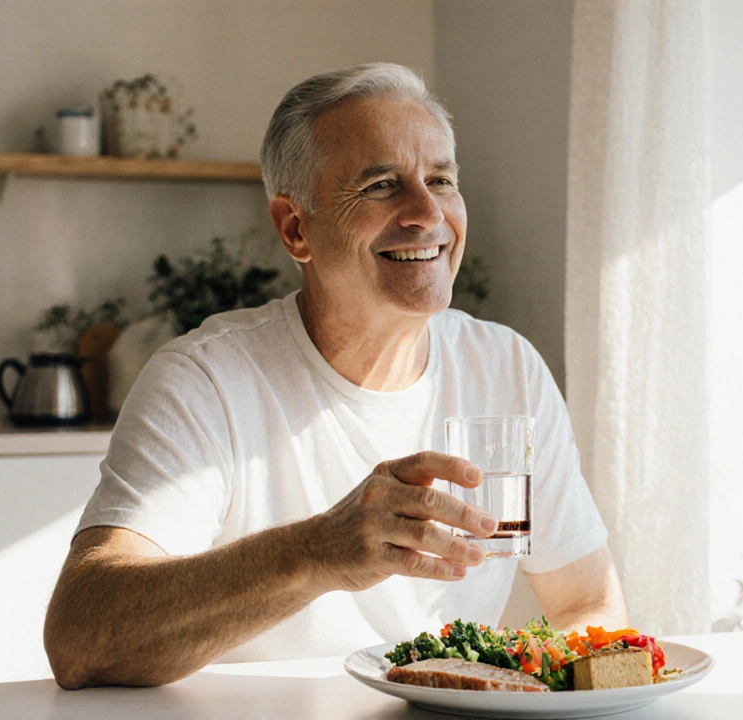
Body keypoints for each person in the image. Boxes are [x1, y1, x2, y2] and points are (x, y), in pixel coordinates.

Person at [43, 63, 628, 690]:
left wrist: (520, 690)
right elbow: (81, 637)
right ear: (296, 228)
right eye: (381, 185)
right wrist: (316, 552)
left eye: (441, 180)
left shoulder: (507, 367)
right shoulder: (205, 380)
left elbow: (589, 607)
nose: (427, 213)